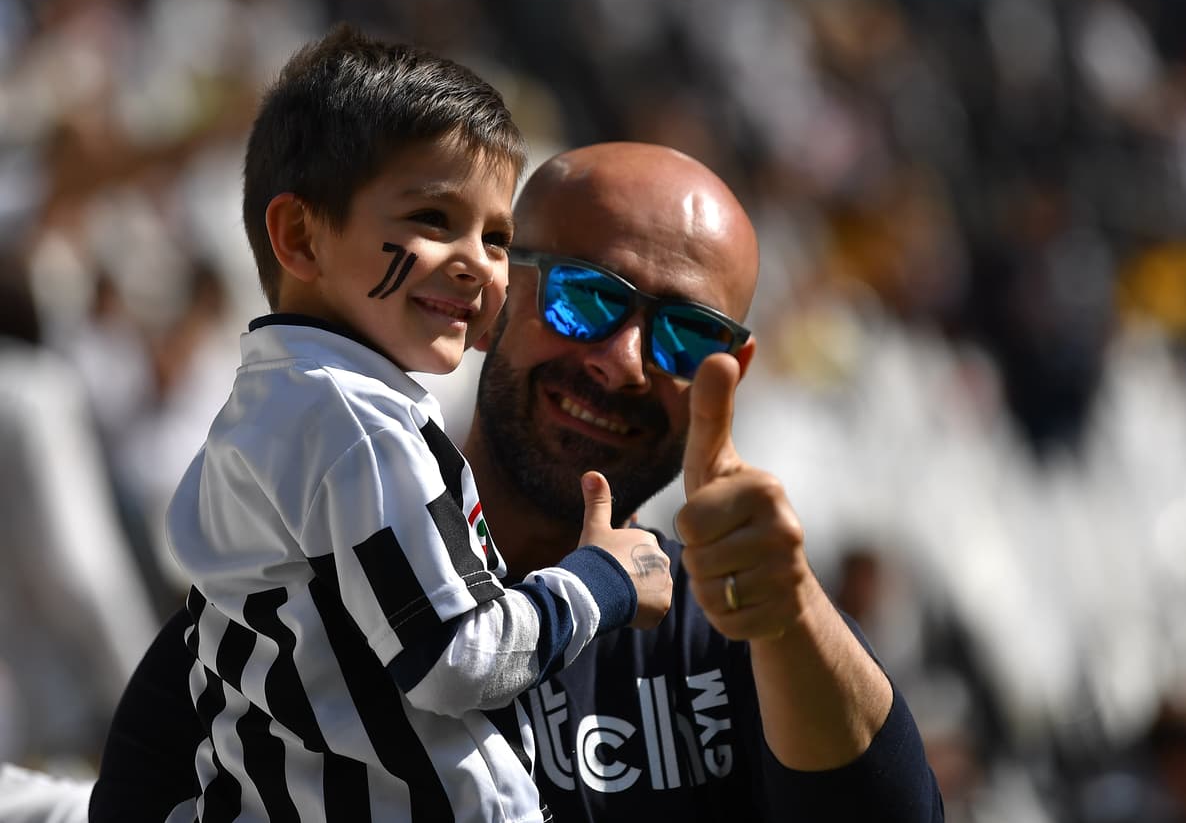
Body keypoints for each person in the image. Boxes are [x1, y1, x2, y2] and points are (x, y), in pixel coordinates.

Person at [91, 142, 943, 821]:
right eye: (583, 298)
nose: (621, 363)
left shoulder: (744, 626)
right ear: (495, 296)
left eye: (685, 333)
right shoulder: (287, 607)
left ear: (734, 366)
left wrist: (790, 613)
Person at [138, 26, 674, 823]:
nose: (478, 264)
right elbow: (456, 658)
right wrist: (599, 580)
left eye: (497, 238)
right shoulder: (356, 421)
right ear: (300, 236)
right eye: (433, 217)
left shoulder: (290, 401)